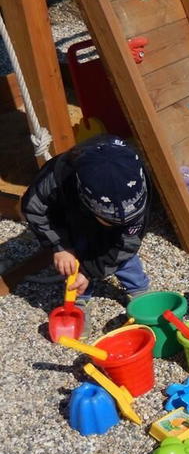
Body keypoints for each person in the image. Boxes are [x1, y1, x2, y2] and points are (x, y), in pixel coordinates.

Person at [21, 135, 151, 337]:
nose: (116, 226)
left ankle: (138, 288)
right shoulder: (56, 178)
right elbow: (33, 209)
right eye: (109, 221)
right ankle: (79, 297)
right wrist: (60, 246)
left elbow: (127, 244)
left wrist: (90, 271)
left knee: (123, 254)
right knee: (75, 258)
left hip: (104, 217)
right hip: (71, 219)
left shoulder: (134, 177)